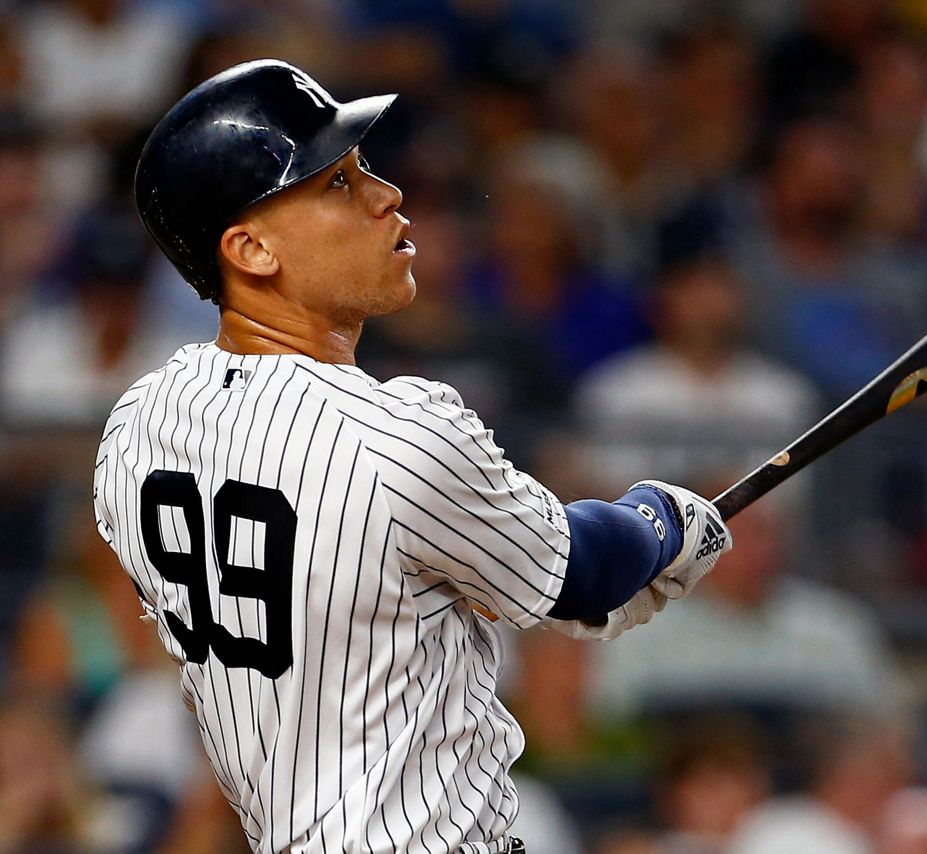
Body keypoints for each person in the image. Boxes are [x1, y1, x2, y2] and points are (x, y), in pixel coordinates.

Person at [91, 59, 732, 854]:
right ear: (251, 249)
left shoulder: (135, 428)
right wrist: (666, 519)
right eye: (335, 184)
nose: (386, 195)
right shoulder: (395, 430)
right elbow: (583, 573)